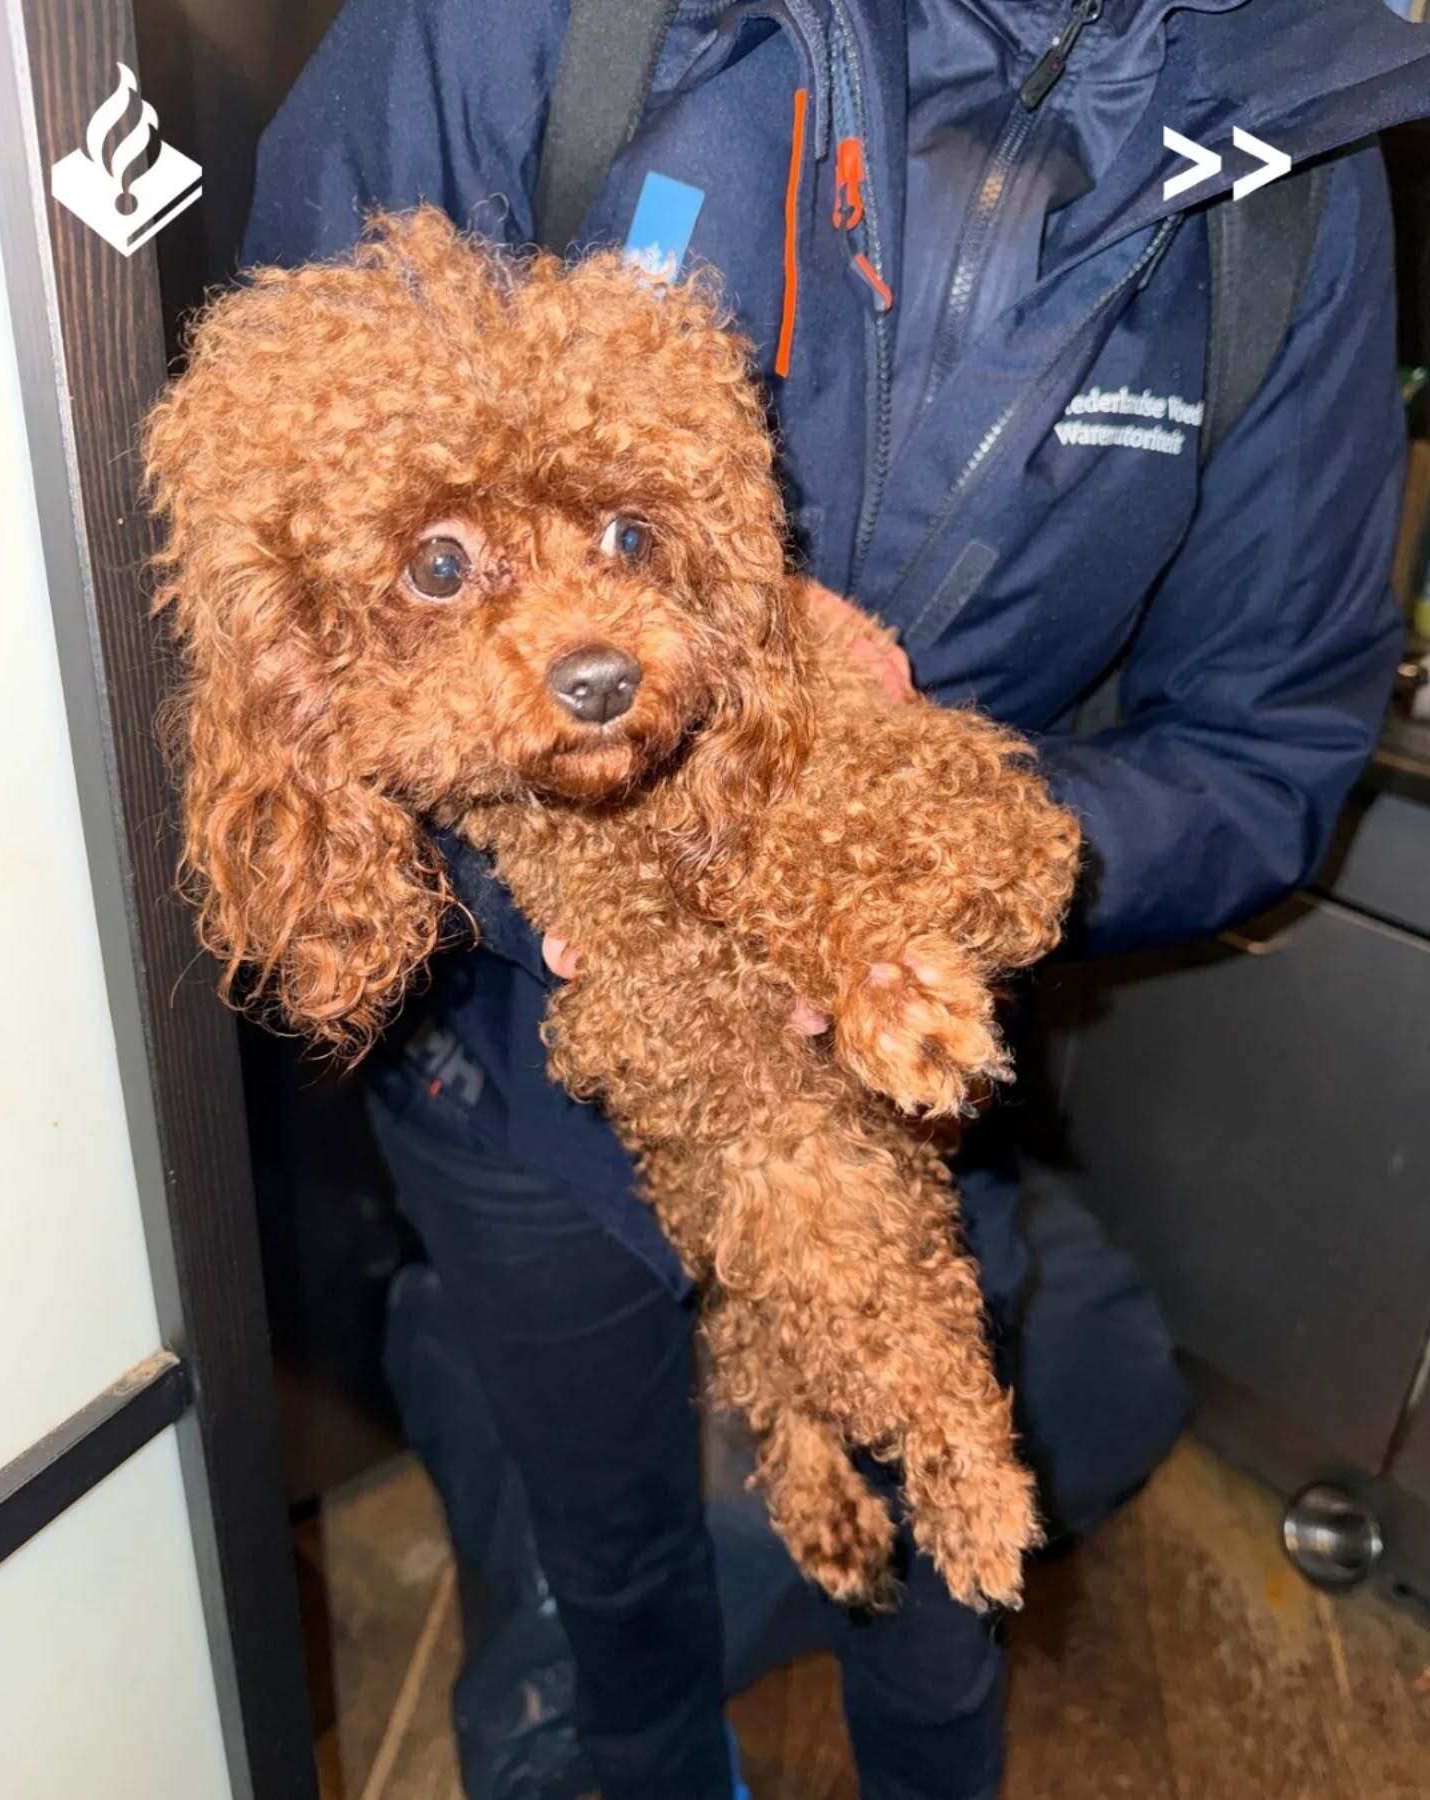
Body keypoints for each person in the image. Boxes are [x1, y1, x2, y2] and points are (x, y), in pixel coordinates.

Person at [243, 3, 1429, 1796]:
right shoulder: (529, 32)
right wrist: (577, 864)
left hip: (893, 1076)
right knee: (614, 1584)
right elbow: (284, 588)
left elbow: (1265, 753)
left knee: (939, 1617)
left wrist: (904, 858)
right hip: (498, 1065)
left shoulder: (1295, 178)